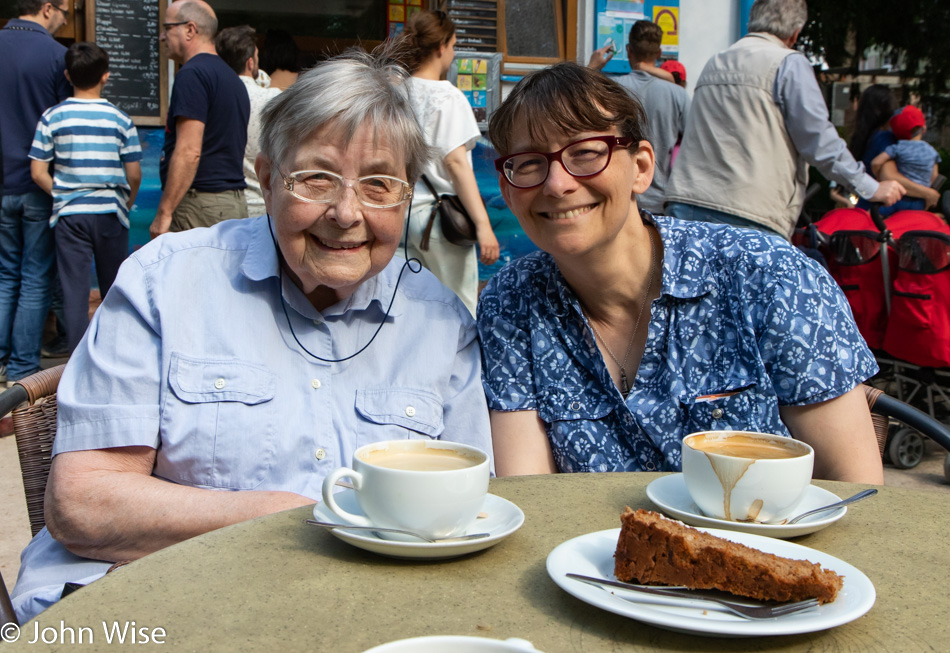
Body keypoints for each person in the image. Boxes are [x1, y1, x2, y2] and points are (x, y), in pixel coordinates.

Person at [11, 47, 492, 623]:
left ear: (407, 193)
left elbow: (470, 510)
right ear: (266, 179)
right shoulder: (165, 282)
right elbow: (83, 504)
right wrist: (288, 518)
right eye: (315, 178)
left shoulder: (440, 324)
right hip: (155, 601)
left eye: (379, 184)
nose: (346, 212)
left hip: (357, 615)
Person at [478, 62, 883, 485]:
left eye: (585, 152)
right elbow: (532, 494)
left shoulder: (768, 277)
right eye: (528, 164)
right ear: (507, 189)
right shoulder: (512, 302)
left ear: (641, 167)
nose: (557, 184)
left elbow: (854, 491)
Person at [665, 0, 904, 239]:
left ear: (753, 21)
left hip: (686, 202)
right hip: (747, 212)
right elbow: (820, 141)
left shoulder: (715, 62)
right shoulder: (789, 63)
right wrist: (870, 187)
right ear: (795, 33)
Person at [28, 42, 142, 354]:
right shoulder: (120, 119)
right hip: (111, 213)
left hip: (70, 215)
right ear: (106, 76)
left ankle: (77, 365)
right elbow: (133, 174)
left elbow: (38, 171)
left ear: (67, 75)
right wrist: (125, 204)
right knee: (115, 290)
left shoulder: (52, 117)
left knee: (74, 293)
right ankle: (115, 353)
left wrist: (64, 194)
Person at [397, 10, 499, 315]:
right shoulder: (448, 97)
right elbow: (456, 164)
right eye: (453, 46)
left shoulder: (395, 92)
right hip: (439, 221)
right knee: (457, 309)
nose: (453, 54)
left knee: (408, 306)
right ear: (441, 47)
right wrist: (483, 226)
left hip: (400, 216)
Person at [0, 0, 72, 387]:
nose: (64, 19)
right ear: (47, 7)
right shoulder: (57, 57)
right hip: (39, 187)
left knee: (5, 274)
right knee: (34, 276)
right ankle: (23, 367)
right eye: (63, 11)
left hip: (3, 186)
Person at [149, 0, 250, 238]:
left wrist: (164, 213)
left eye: (167, 28)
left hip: (199, 205)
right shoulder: (232, 79)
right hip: (232, 203)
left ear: (190, 29)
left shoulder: (192, 74)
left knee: (183, 276)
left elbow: (189, 150)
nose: (162, 37)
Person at [590, 21, 689, 214]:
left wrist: (591, 68)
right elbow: (693, 143)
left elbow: (573, 104)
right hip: (661, 201)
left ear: (628, 50)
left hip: (620, 196)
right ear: (659, 54)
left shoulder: (612, 88)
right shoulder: (678, 94)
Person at [215, 25, 282, 217]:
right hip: (263, 206)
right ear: (251, 63)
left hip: (222, 206)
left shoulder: (211, 98)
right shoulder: (271, 99)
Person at [849, 85, 939, 211]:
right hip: (884, 212)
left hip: (867, 207)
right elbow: (890, 176)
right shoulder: (885, 139)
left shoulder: (868, 137)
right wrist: (928, 193)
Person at [872, 106, 941, 217]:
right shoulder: (932, 151)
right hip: (919, 202)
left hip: (896, 198)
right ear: (923, 129)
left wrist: (878, 176)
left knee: (875, 218)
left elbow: (876, 162)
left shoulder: (897, 147)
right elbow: (934, 175)